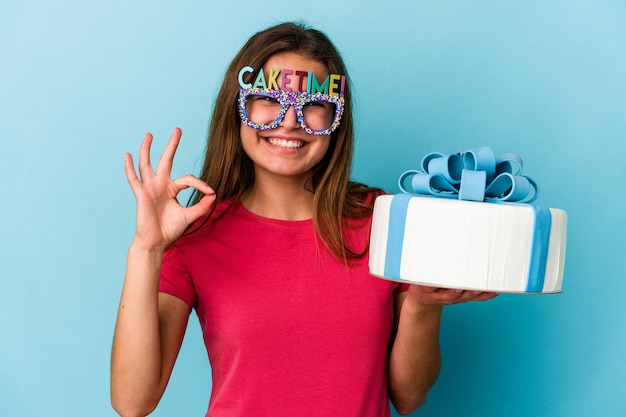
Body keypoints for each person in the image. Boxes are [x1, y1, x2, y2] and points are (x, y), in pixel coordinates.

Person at [110, 22, 497, 417]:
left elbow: (408, 397)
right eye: (268, 99)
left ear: (336, 117)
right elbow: (132, 401)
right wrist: (147, 247)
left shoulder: (383, 220)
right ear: (238, 107)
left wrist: (422, 306)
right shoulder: (197, 235)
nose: (290, 120)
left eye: (312, 103)